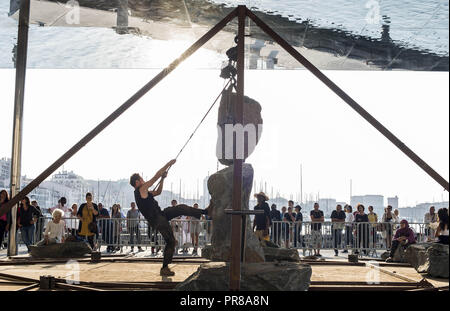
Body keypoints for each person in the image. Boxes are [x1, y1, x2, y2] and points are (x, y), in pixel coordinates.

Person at [130, 159, 210, 276]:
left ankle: (205, 211)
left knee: (181, 208)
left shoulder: (143, 192)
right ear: (137, 182)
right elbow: (154, 178)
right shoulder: (140, 189)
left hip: (161, 215)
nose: (143, 180)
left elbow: (158, 192)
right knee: (171, 241)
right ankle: (164, 268)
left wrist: (163, 179)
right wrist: (168, 164)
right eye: (141, 179)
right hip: (158, 219)